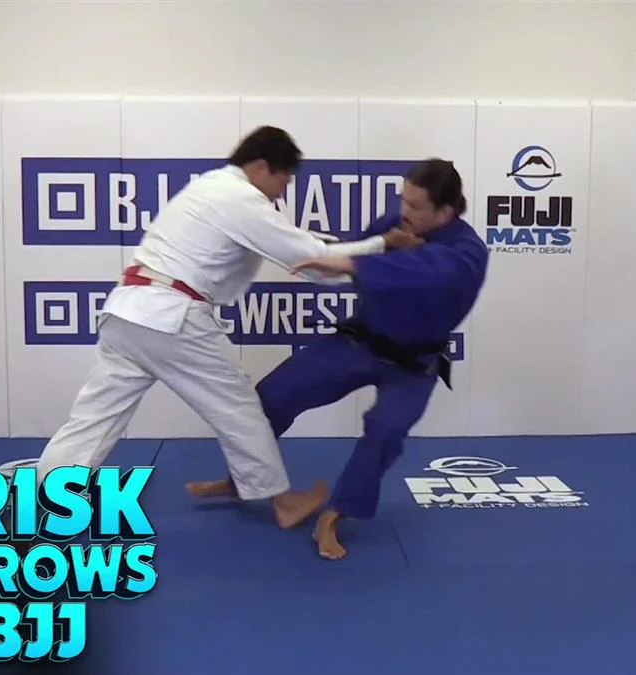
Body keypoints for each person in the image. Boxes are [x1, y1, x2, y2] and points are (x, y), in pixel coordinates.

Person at [33, 126, 424, 530]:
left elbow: (304, 250)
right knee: (238, 406)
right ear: (262, 167)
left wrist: (353, 250)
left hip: (127, 312)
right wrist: (384, 245)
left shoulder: (210, 189)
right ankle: (283, 502)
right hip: (171, 317)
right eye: (284, 180)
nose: (282, 193)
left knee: (93, 419)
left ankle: (46, 497)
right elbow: (314, 262)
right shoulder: (242, 199)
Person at [185, 158, 489, 558]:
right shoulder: (397, 224)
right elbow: (359, 249)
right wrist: (338, 254)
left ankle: (334, 515)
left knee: (386, 429)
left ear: (445, 212)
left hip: (414, 365)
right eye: (403, 200)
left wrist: (352, 263)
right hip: (360, 341)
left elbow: (424, 271)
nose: (403, 211)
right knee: (272, 395)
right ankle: (243, 479)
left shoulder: (467, 254)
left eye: (415, 206)